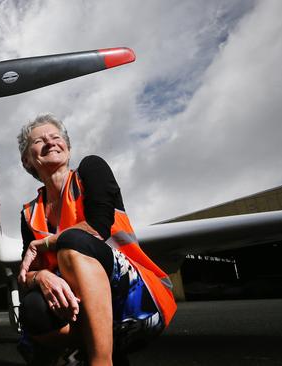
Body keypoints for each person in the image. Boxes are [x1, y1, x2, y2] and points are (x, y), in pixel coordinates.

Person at [16, 114, 176, 366]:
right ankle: (92, 348)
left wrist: (45, 244)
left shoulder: (91, 170)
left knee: (72, 243)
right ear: (27, 159)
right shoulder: (29, 213)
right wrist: (41, 276)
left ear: (67, 147)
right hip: (78, 310)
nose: (49, 141)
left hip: (136, 306)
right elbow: (26, 274)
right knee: (32, 307)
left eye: (56, 137)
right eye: (38, 141)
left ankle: (100, 361)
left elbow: (97, 226)